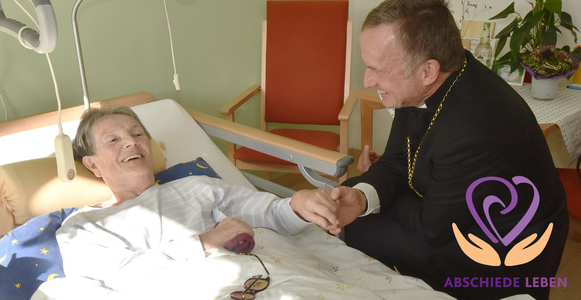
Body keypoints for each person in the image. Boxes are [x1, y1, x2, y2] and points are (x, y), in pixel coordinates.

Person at [293, 0, 569, 299]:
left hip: (502, 245)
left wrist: (369, 201)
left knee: (359, 226)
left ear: (428, 71)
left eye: (377, 70)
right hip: (451, 208)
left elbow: (432, 226)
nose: (368, 81)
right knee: (351, 201)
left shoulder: (474, 129)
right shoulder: (426, 82)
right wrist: (363, 196)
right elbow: (399, 159)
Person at [53, 105, 343, 297]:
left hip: (273, 281)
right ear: (92, 165)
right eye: (113, 140)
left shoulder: (196, 186)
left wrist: (298, 205)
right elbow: (121, 279)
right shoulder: (82, 227)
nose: (131, 142)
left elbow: (266, 211)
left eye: (138, 134)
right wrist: (207, 240)